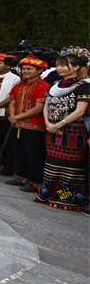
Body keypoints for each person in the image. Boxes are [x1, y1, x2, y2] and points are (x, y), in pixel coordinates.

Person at [36, 52, 89, 211]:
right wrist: (48, 123)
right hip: (52, 131)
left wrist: (58, 125)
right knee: (52, 163)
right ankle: (48, 194)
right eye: (57, 65)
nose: (59, 68)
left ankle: (69, 198)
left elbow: (80, 111)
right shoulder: (56, 85)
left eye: (63, 65)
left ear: (76, 67)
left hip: (73, 132)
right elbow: (46, 104)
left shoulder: (83, 86)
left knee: (70, 166)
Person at [5, 54, 50, 193]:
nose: (25, 71)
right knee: (19, 152)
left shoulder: (44, 85)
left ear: (39, 70)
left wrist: (17, 116)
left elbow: (38, 108)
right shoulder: (19, 85)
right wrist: (12, 116)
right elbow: (12, 101)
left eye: (29, 69)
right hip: (16, 124)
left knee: (33, 154)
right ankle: (22, 177)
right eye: (23, 69)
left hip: (34, 126)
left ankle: (34, 181)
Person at [0, 54, 20, 175]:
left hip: (5, 113)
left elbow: (13, 96)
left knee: (7, 141)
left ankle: (8, 166)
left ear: (8, 65)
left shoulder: (14, 78)